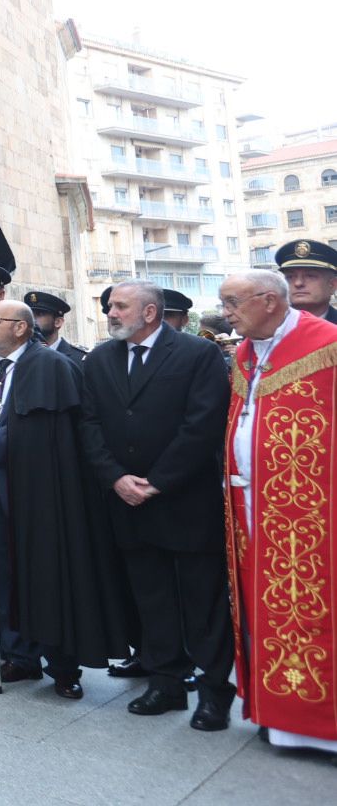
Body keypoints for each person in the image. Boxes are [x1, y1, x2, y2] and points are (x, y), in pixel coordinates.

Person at [0, 300, 131, 698]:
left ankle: (62, 665)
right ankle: (19, 654)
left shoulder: (51, 366)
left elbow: (53, 435)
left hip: (43, 495)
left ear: (20, 328)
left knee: (49, 572)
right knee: (2, 570)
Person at [79, 280, 234, 730]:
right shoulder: (100, 359)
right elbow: (88, 424)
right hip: (127, 503)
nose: (111, 312)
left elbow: (202, 425)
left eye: (120, 306)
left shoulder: (195, 354)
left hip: (184, 501)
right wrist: (114, 478)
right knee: (152, 599)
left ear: (149, 313)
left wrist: (158, 482)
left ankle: (214, 692)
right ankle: (165, 683)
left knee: (202, 602)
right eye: (110, 306)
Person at [220, 269, 337, 755]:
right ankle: (277, 714)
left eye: (233, 303)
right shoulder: (247, 350)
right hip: (254, 506)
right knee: (260, 608)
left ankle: (324, 726)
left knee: (315, 611)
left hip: (316, 510)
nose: (226, 312)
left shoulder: (326, 343)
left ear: (268, 301)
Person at [274, 238, 337, 324]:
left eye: (310, 276)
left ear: (333, 285)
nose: (298, 283)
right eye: (290, 277)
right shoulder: (264, 330)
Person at [25, 290, 85, 360]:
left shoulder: (79, 357)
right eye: (30, 314)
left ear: (58, 322)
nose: (32, 319)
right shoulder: (20, 355)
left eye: (39, 314)